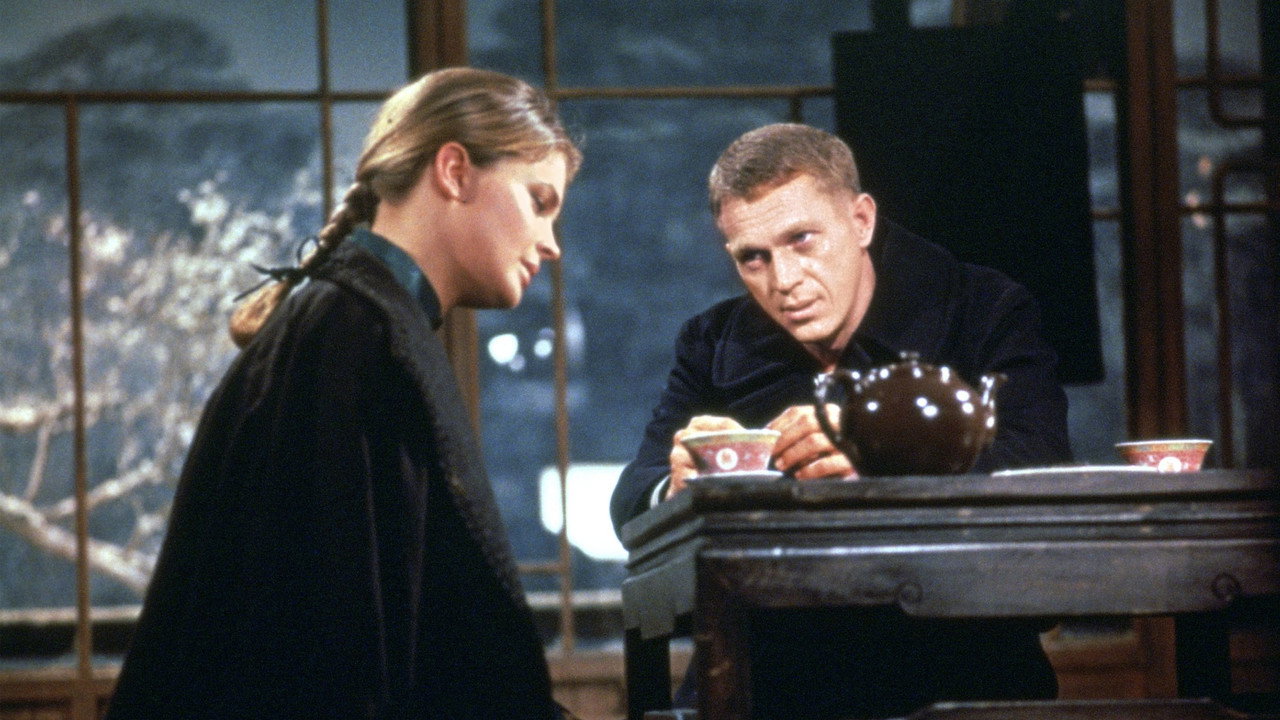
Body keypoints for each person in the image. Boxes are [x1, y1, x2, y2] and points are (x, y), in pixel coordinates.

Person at [105, 67, 581, 720]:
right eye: (539, 201)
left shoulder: (361, 322)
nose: (551, 245)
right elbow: (327, 649)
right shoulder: (354, 331)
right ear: (454, 171)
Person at [611, 123, 1071, 719]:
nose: (783, 281)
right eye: (753, 257)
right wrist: (675, 492)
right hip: (772, 680)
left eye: (802, 240)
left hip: (955, 668)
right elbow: (632, 502)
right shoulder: (713, 343)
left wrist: (880, 453)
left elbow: (1039, 472)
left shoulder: (980, 310)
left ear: (861, 221)